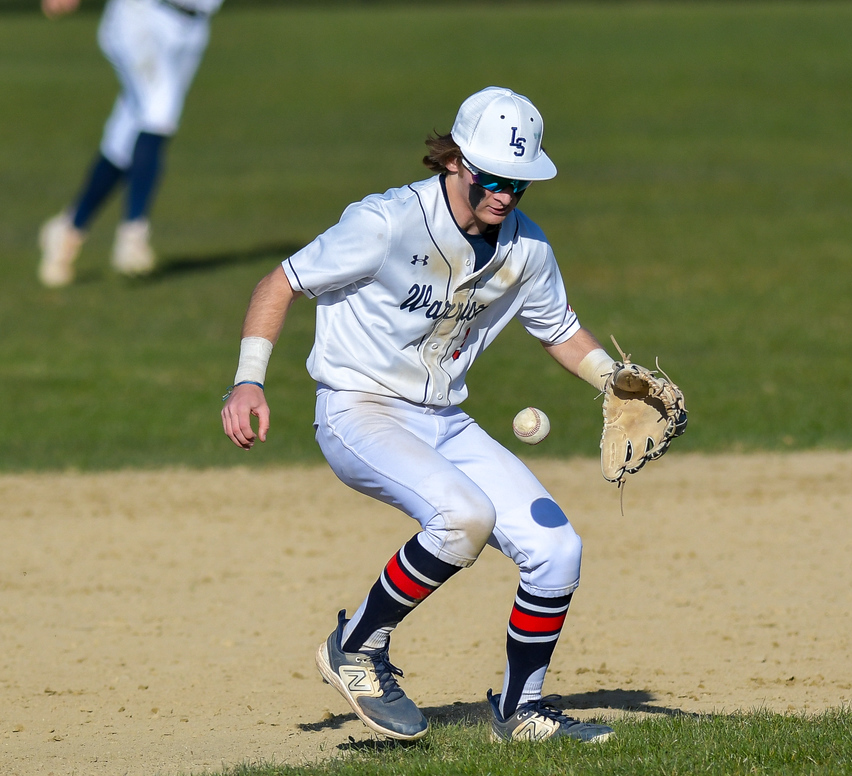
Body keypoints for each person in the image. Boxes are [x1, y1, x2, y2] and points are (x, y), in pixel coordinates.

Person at [221, 87, 626, 743]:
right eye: (492, 177)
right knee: (463, 515)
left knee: (557, 549)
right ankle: (355, 647)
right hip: (360, 409)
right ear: (455, 163)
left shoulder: (527, 248)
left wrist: (615, 382)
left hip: (445, 420)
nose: (504, 195)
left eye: (519, 184)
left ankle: (522, 711)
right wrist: (247, 382)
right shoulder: (385, 222)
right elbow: (280, 283)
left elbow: (558, 329)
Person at [37, 0, 223, 287]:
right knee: (159, 109)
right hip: (142, 15)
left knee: (127, 135)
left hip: (194, 25)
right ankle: (133, 233)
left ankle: (69, 229)